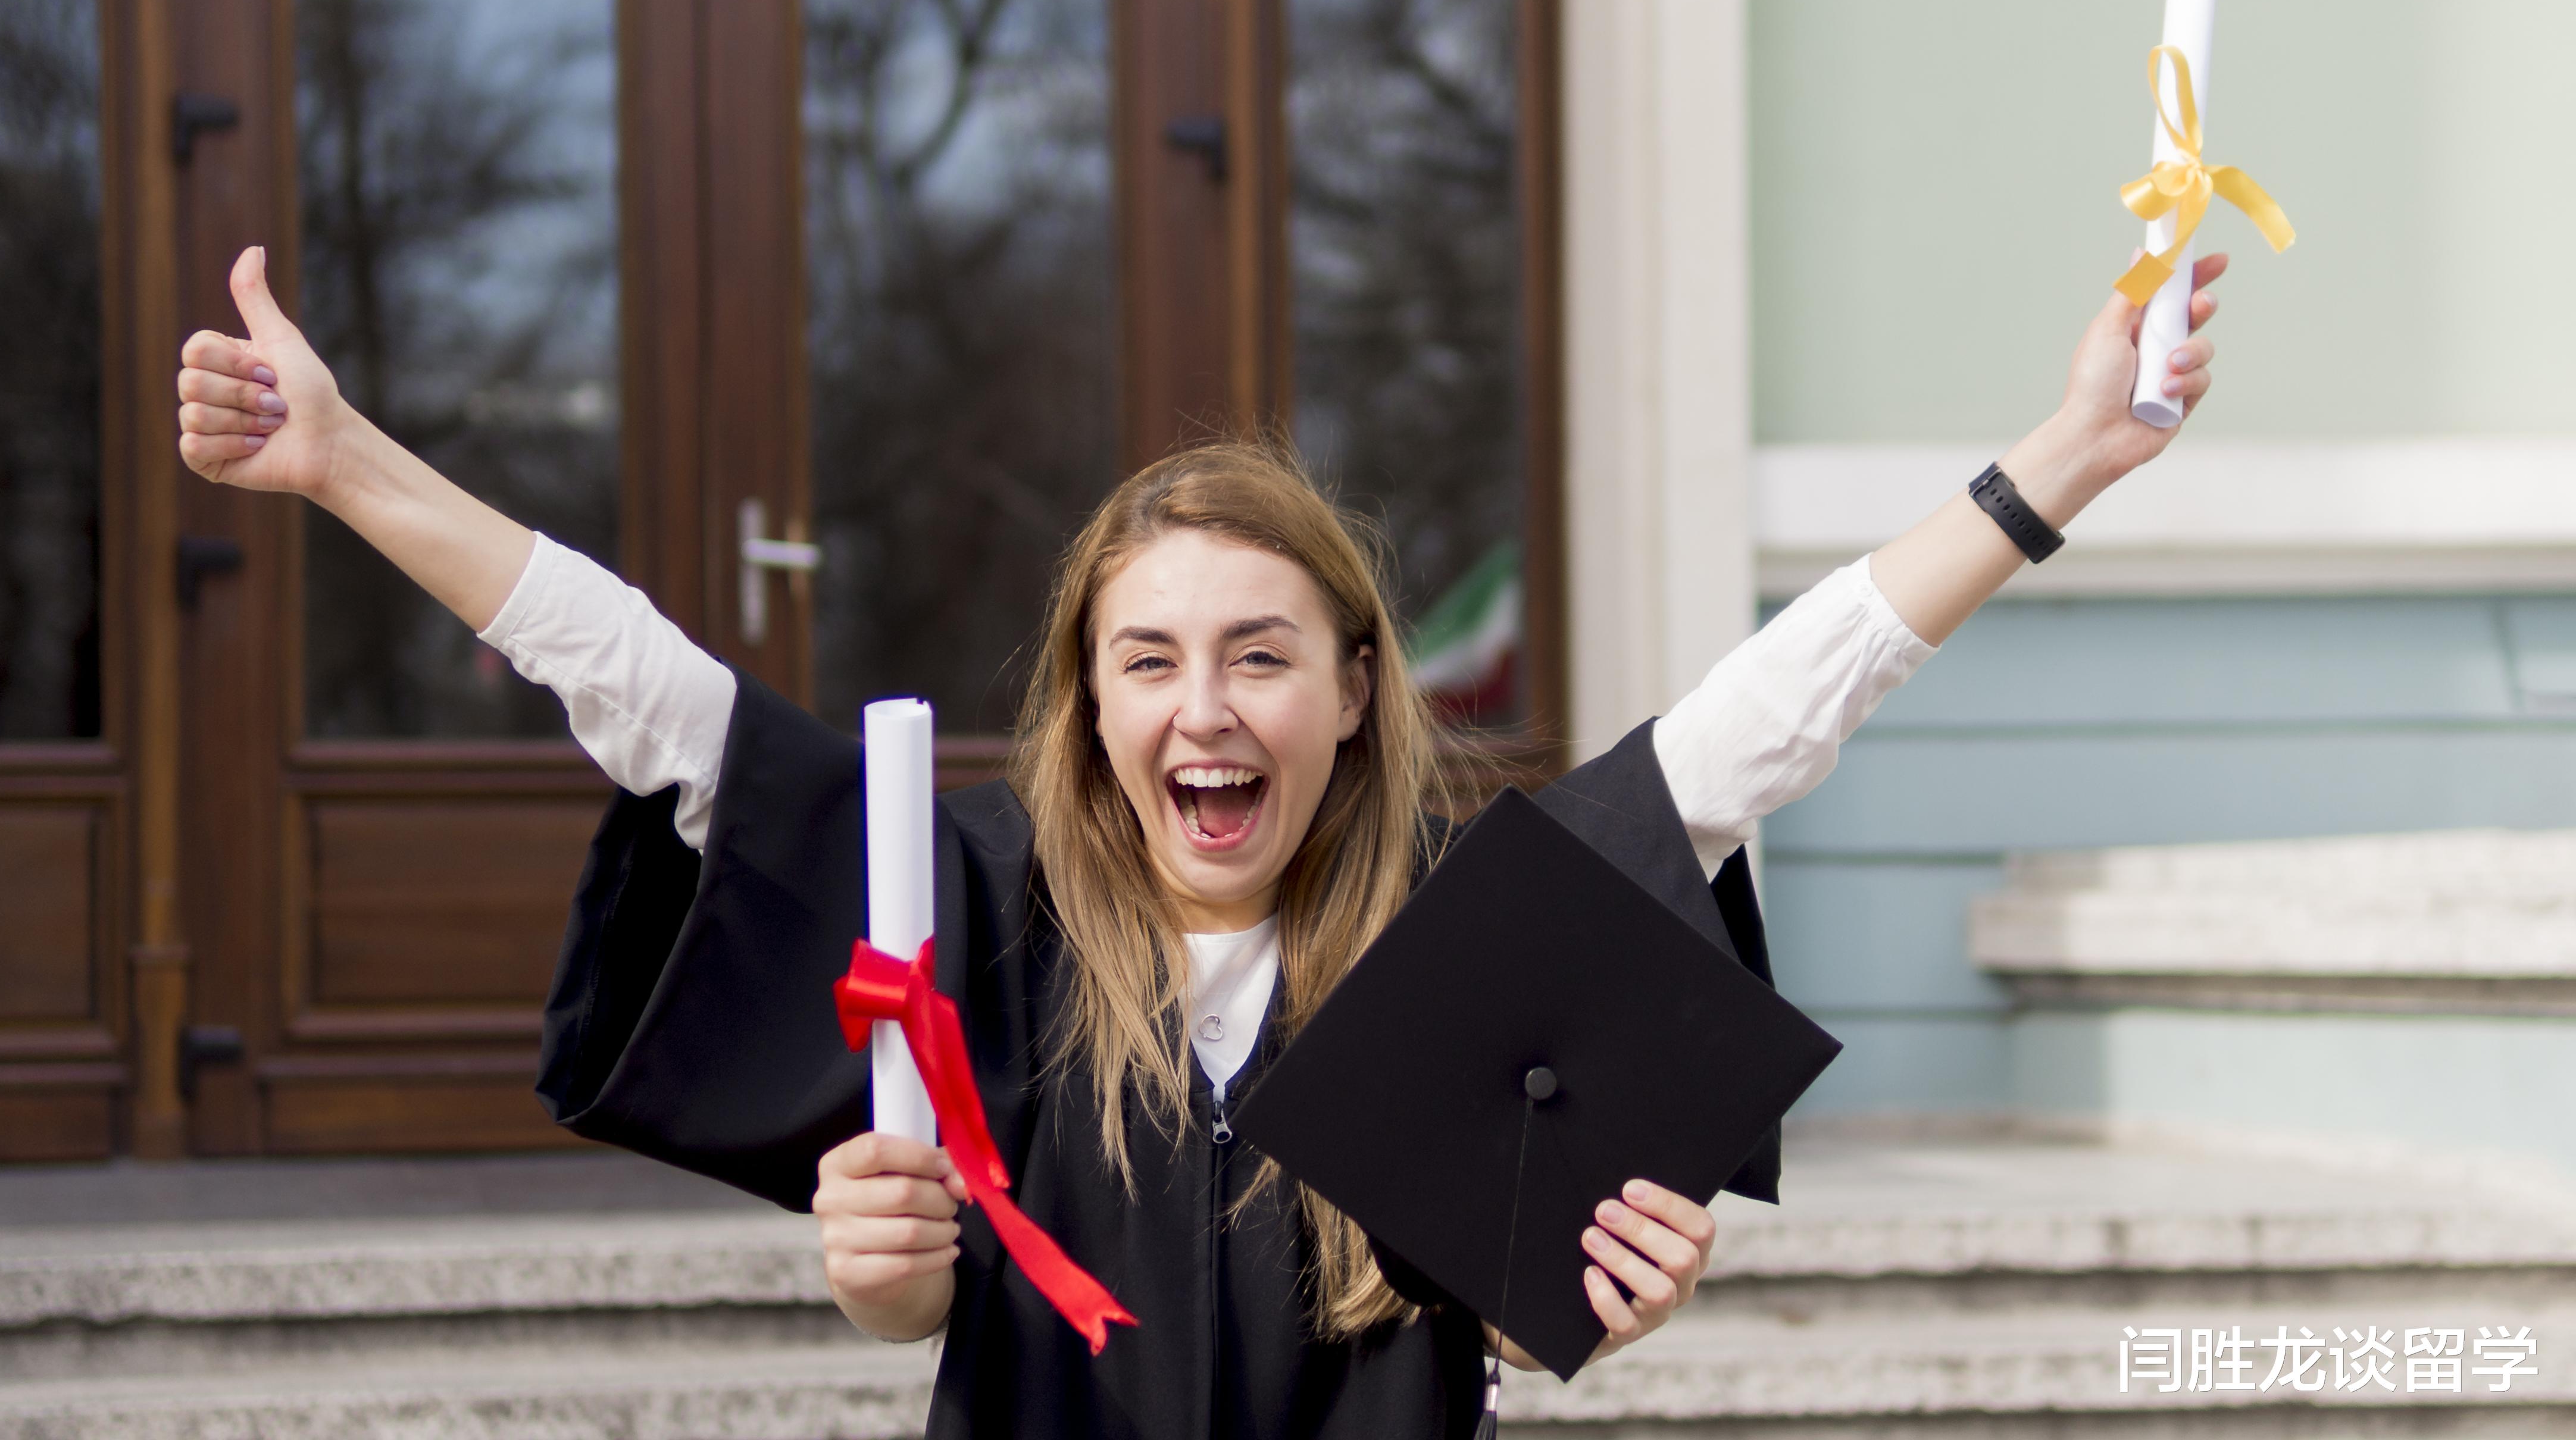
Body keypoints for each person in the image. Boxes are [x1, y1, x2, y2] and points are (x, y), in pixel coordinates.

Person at [173, 243, 2228, 1438]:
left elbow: (1767, 719)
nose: (1205, 710)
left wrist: (2068, 456)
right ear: (1089, 701)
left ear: (1360, 687)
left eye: (1262, 656)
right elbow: (648, 692)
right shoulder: (965, 910)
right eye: (1148, 662)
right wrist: (350, 469)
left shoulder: (1460, 936)